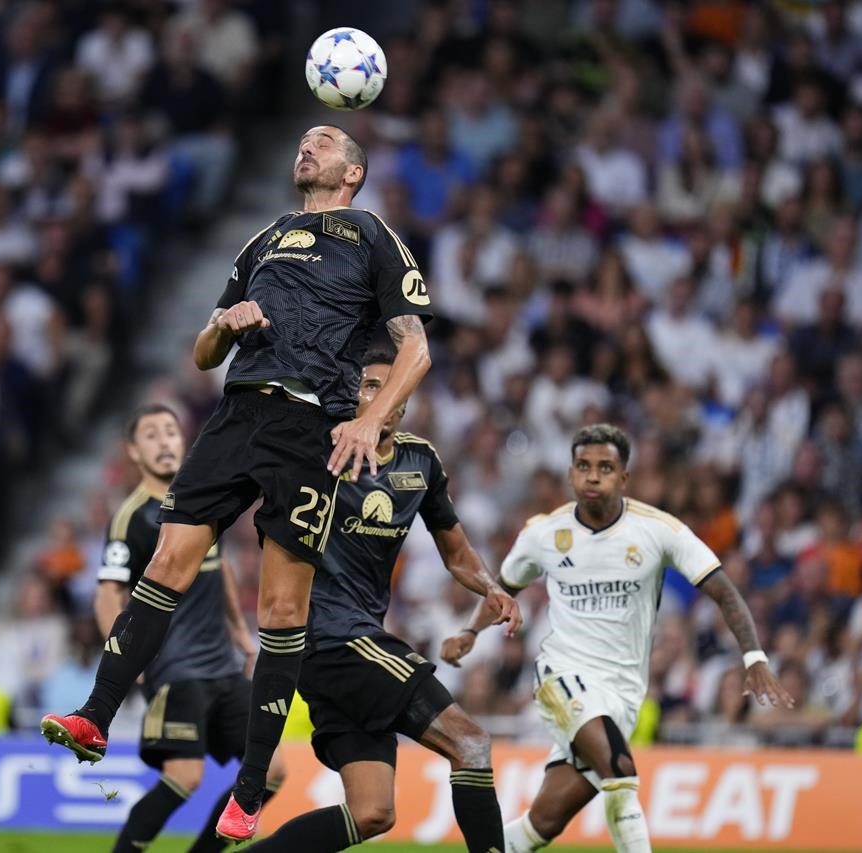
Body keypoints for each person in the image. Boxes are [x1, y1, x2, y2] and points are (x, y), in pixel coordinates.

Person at [41, 125, 435, 841]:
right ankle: (94, 717)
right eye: (303, 139)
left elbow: (416, 345)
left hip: (312, 427)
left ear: (353, 172)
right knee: (166, 560)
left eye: (324, 141)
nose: (306, 147)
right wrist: (226, 323)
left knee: (281, 610)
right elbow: (201, 352)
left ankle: (248, 792)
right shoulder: (264, 239)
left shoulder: (370, 233)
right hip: (237, 410)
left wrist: (369, 420)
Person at [443, 424, 793, 853]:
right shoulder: (543, 534)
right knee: (621, 771)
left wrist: (754, 656)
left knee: (543, 824)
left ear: (624, 478)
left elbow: (724, 590)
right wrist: (469, 632)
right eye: (584, 466)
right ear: (571, 474)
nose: (593, 476)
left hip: (624, 693)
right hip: (563, 675)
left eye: (605, 467)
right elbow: (503, 587)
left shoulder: (659, 531)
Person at [249, 349, 519, 852]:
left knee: (373, 813)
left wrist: (492, 586)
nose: (371, 395)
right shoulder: (319, 453)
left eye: (383, 386)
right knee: (471, 742)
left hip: (348, 645)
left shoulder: (421, 461)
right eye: (364, 385)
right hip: (330, 638)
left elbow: (456, 551)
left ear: (403, 398)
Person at [79, 404, 285, 852]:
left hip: (223, 668)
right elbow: (108, 592)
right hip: (174, 669)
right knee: (185, 777)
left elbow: (219, 568)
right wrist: (124, 660)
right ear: (133, 452)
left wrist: (240, 636)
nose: (164, 441)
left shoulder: (202, 498)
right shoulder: (131, 516)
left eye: (170, 432)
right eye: (151, 435)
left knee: (271, 772)